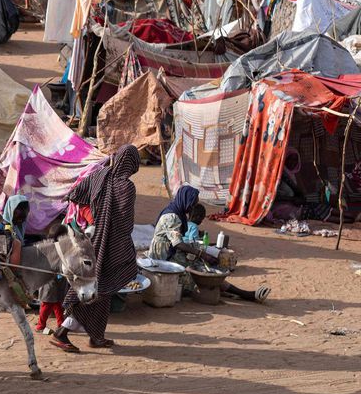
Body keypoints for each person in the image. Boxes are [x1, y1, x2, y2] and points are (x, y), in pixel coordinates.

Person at [51, 145, 140, 353]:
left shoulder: (100, 176)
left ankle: (97, 336)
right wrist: (117, 237)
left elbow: (75, 193)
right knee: (97, 287)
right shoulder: (126, 186)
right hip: (110, 244)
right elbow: (126, 223)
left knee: (102, 289)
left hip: (92, 238)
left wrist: (93, 218)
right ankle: (61, 333)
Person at [149, 186, 270, 303]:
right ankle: (242, 294)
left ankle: (240, 293)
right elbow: (178, 244)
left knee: (199, 266)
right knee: (195, 274)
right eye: (192, 203)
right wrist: (202, 254)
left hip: (170, 250)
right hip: (163, 256)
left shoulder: (176, 211)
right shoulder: (172, 216)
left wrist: (199, 253)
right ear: (186, 200)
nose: (192, 207)